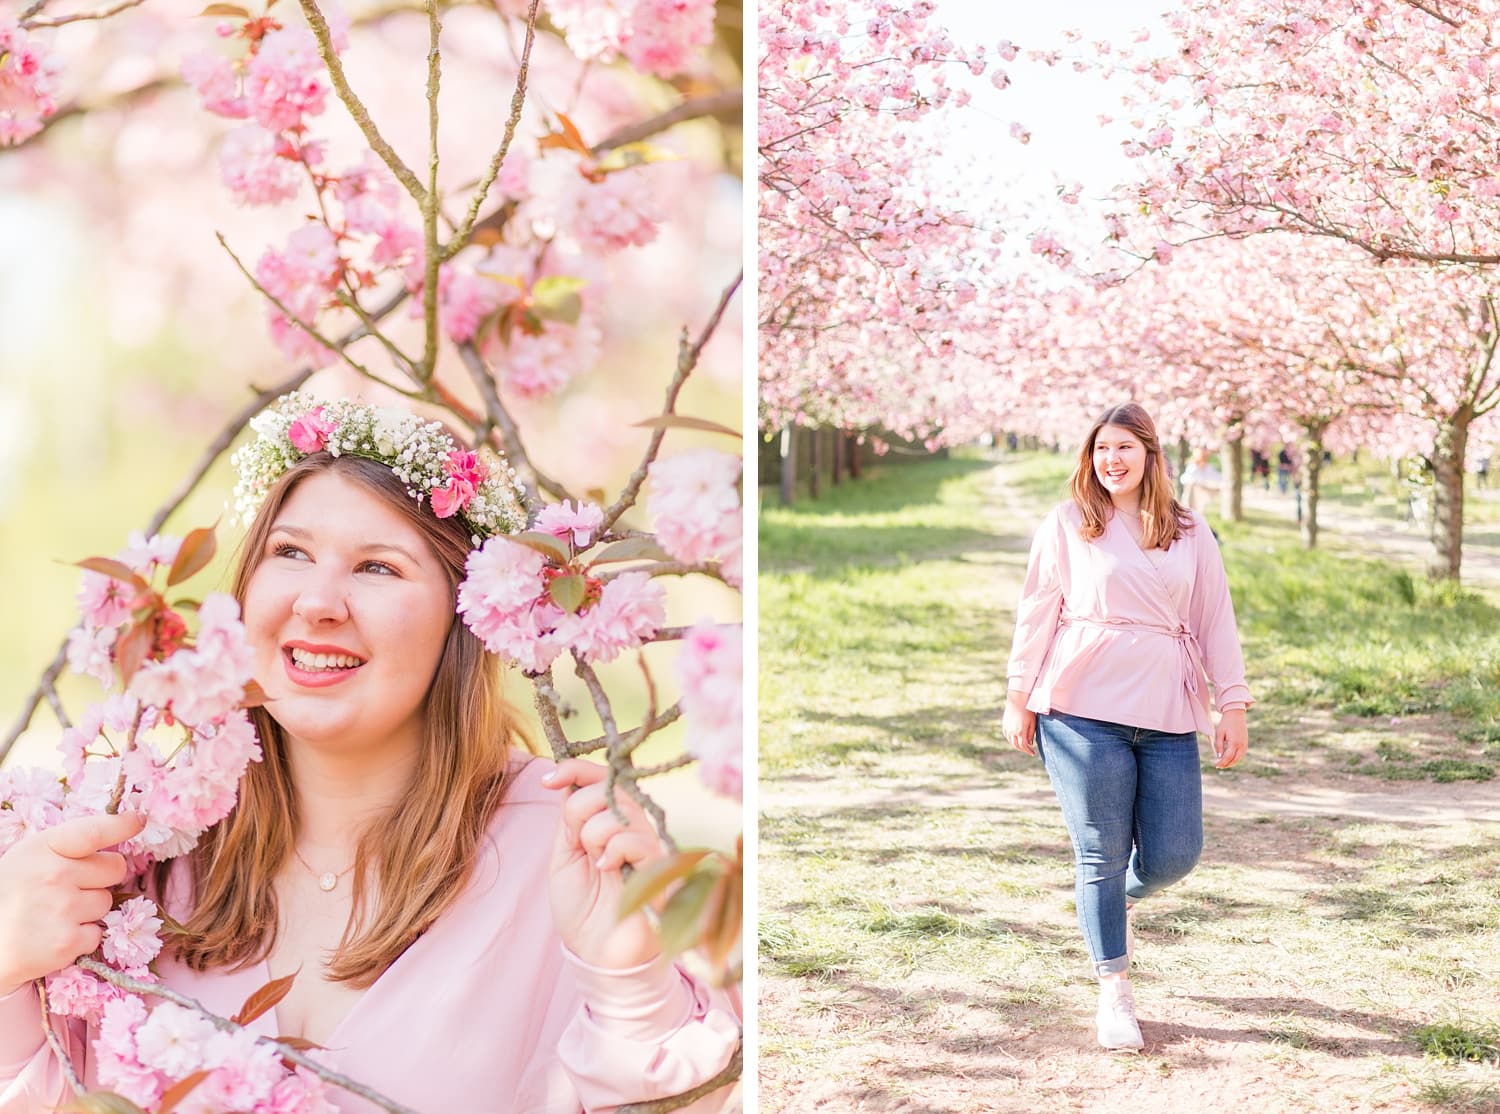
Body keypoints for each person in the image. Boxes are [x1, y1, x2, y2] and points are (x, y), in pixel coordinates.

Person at [0, 397, 739, 1112]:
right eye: (290, 552)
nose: (318, 602)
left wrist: (629, 983)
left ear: (466, 617)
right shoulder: (132, 856)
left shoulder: (573, 855)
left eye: (377, 567)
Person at [1001, 402, 1251, 1052]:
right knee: (1098, 853)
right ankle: (1114, 989)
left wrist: (1235, 703)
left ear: (1150, 456)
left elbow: (1215, 619)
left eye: (1124, 448)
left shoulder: (1190, 532)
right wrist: (1017, 696)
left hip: (1167, 705)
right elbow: (1036, 613)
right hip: (1080, 705)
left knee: (1175, 854)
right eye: (1101, 449)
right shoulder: (1067, 524)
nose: (1111, 460)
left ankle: (1116, 898)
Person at [1179, 446, 1222, 515]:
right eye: (1201, 456)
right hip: (1192, 495)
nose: (1203, 458)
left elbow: (1219, 478)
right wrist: (1196, 482)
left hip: (1204, 493)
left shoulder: (1208, 468)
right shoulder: (1193, 467)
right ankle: (1190, 512)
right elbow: (1183, 479)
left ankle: (1197, 514)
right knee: (1193, 486)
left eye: (1204, 456)